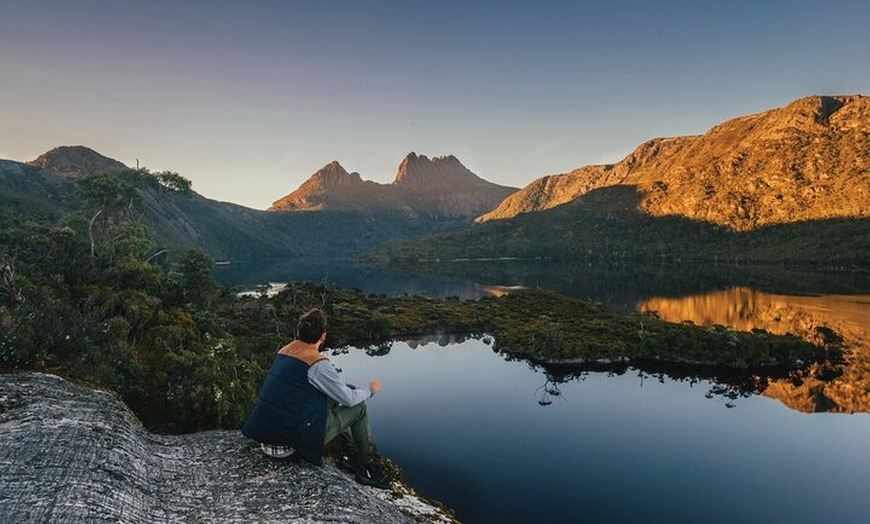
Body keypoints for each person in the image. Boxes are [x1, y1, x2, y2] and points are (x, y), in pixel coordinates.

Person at [242, 308, 392, 489]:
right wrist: (371, 390)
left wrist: (349, 389)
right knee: (359, 408)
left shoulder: (285, 351)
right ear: (323, 337)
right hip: (289, 448)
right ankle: (367, 467)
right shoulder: (317, 363)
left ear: (298, 332)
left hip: (267, 440)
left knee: (339, 393)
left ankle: (349, 453)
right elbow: (350, 400)